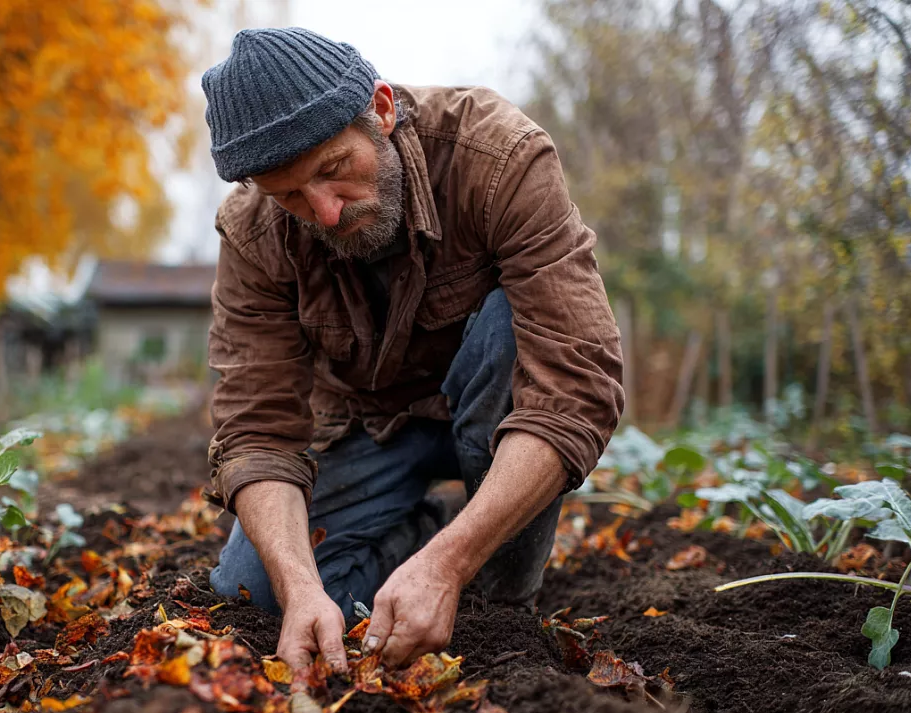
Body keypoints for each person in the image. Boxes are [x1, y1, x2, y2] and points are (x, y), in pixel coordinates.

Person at [199, 27, 624, 672]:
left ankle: (496, 590)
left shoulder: (499, 158)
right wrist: (300, 588)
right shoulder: (255, 233)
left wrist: (451, 567)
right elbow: (257, 429)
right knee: (252, 596)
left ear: (381, 109)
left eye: (334, 171)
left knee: (514, 326)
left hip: (497, 421)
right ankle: (420, 533)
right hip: (371, 427)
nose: (326, 213)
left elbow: (575, 386)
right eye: (290, 196)